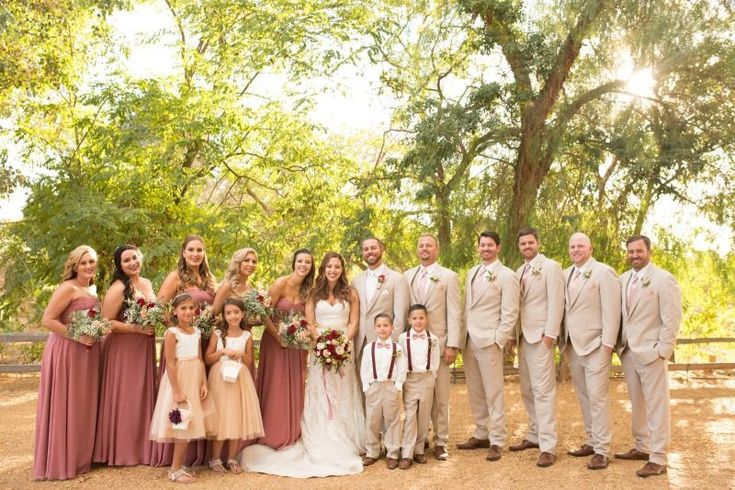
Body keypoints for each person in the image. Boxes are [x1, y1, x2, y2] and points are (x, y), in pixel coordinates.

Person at [240, 251, 366, 477]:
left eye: (337, 267)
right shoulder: (312, 293)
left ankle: (345, 435)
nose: (333, 270)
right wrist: (322, 343)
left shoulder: (350, 294)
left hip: (342, 349)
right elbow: (310, 322)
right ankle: (285, 433)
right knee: (307, 391)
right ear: (323, 269)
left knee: (340, 392)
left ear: (342, 269)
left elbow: (354, 322)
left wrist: (342, 343)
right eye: (329, 267)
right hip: (314, 347)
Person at [614, 235, 682, 478]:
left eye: (639, 251)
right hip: (628, 352)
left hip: (652, 352)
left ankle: (659, 458)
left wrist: (662, 350)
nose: (634, 255)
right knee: (638, 403)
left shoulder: (664, 279)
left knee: (657, 405)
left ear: (649, 251)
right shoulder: (622, 280)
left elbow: (672, 318)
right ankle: (643, 447)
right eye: (631, 252)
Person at [34, 245, 102, 480]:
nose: (88, 266)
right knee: (68, 401)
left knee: (82, 403)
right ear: (74, 266)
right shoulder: (68, 288)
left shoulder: (92, 289)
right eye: (83, 263)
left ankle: (80, 456)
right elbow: (48, 319)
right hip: (67, 350)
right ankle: (61, 460)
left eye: (91, 261)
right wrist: (76, 335)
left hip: (88, 352)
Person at [151, 234, 217, 468]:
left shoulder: (209, 279)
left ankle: (201, 456)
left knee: (201, 399)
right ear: (183, 252)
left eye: (199, 250)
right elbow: (158, 307)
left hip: (202, 343)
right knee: (181, 403)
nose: (196, 254)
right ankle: (177, 462)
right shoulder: (175, 277)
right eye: (191, 250)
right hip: (181, 349)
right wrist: (178, 331)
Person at [456, 231, 520, 462]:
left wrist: (499, 339)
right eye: (482, 245)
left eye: (490, 245)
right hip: (470, 340)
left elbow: (510, 311)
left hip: (490, 340)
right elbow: (467, 307)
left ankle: (498, 439)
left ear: (498, 247)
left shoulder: (507, 276)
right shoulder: (472, 272)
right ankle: (481, 433)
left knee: (493, 392)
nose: (486, 249)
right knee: (475, 391)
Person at [561, 232, 621, 470]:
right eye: (572, 246)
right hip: (573, 345)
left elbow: (612, 310)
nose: (576, 250)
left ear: (590, 248)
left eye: (580, 246)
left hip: (597, 344)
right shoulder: (565, 274)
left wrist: (608, 343)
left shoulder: (604, 273)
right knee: (584, 396)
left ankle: (602, 450)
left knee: (598, 398)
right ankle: (591, 440)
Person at [94, 245, 157, 466]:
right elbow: (105, 321)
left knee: (141, 397)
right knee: (127, 398)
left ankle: (142, 449)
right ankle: (122, 450)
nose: (132, 262)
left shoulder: (147, 283)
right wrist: (135, 329)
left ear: (141, 257)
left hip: (143, 346)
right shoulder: (119, 287)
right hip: (123, 348)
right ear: (119, 266)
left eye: (134, 257)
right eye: (126, 260)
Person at [508, 227, 565, 467]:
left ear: (538, 243)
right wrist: (513, 335)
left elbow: (556, 301)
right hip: (523, 337)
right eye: (523, 244)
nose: (527, 247)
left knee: (543, 391)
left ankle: (548, 446)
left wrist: (550, 334)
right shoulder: (519, 271)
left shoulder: (551, 267)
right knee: (527, 390)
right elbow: (516, 306)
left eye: (530, 242)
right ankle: (533, 434)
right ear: (519, 247)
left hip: (542, 336)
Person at [403, 233, 461, 461]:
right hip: (413, 350)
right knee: (415, 396)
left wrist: (453, 344)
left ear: (436, 249)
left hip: (440, 346)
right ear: (417, 250)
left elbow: (454, 312)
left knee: (440, 396)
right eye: (421, 245)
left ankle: (441, 441)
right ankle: (420, 439)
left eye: (429, 245)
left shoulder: (448, 276)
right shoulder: (407, 276)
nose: (424, 248)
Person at [149, 293, 217, 484]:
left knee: (189, 422)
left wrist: (203, 381)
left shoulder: (196, 332)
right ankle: (174, 470)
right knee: (181, 425)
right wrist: (177, 390)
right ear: (175, 311)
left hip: (195, 378)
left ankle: (179, 465)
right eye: (183, 308)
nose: (187, 312)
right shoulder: (172, 333)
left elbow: (200, 359)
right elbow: (170, 364)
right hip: (179, 380)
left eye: (190, 308)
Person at [254, 248, 314, 449]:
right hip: (274, 342)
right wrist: (279, 337)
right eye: (300, 261)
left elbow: (308, 320)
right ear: (294, 263)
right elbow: (264, 313)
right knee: (276, 385)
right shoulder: (281, 283)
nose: (303, 265)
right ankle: (272, 433)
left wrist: (303, 337)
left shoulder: (307, 291)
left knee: (295, 386)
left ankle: (291, 432)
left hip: (296, 346)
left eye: (307, 262)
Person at [205, 298, 264, 475]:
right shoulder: (217, 334)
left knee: (236, 416)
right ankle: (215, 458)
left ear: (243, 314)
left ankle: (231, 458)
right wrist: (222, 351)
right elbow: (208, 358)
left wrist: (240, 354)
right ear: (224, 315)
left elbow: (249, 360)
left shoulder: (246, 335)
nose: (233, 316)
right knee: (221, 416)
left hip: (239, 378)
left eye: (236, 312)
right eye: (229, 313)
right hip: (219, 378)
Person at [351, 237, 410, 364]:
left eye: (373, 248)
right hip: (360, 345)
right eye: (365, 249)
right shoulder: (356, 281)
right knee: (363, 383)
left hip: (385, 343)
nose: (369, 251)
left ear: (381, 249)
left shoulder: (397, 279)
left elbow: (401, 316)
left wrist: (391, 343)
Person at [360, 313, 407, 470]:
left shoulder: (397, 348)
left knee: (392, 420)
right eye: (379, 326)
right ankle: (372, 451)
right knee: (372, 420)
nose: (382, 328)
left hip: (390, 387)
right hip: (374, 387)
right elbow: (364, 368)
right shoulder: (369, 348)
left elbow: (402, 368)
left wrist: (398, 385)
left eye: (386, 325)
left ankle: (392, 452)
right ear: (374, 328)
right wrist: (367, 387)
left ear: (392, 328)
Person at [397, 304, 440, 469]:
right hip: (410, 379)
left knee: (424, 416)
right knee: (410, 416)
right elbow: (400, 359)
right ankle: (407, 453)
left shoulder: (433, 339)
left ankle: (419, 450)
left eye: (421, 318)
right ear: (409, 320)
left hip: (427, 378)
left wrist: (431, 375)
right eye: (414, 318)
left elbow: (435, 361)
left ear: (427, 319)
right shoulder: (403, 338)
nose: (418, 321)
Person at [212, 247, 260, 380]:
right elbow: (214, 312)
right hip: (228, 339)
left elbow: (250, 317)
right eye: (246, 260)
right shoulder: (228, 285)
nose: (250, 264)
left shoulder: (251, 288)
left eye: (254, 261)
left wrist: (264, 319)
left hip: (245, 339)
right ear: (238, 262)